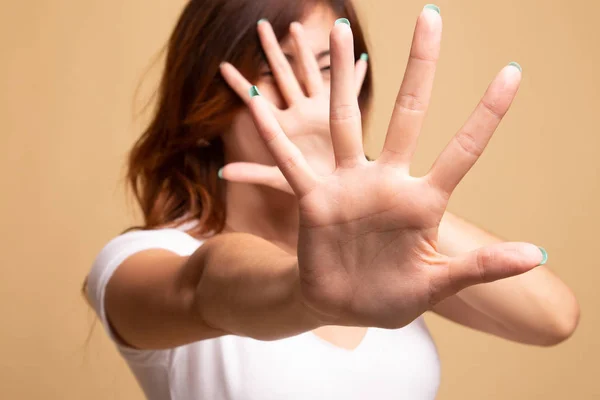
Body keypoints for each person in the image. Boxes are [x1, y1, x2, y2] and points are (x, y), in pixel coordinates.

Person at [85, 0, 580, 399]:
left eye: (328, 69)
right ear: (204, 105)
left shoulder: (385, 257)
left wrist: (377, 198)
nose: (315, 100)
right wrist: (307, 294)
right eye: (276, 72)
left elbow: (553, 319)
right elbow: (206, 287)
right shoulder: (138, 262)